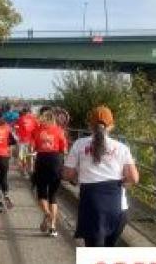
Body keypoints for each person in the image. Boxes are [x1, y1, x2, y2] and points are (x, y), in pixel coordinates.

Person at [63, 106, 139, 247]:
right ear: (111, 126)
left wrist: (76, 179)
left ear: (90, 125)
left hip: (91, 208)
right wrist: (123, 183)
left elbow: (67, 174)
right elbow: (134, 178)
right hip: (118, 209)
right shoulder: (122, 148)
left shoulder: (79, 145)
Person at [31, 108, 68, 237]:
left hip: (42, 160)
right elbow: (64, 149)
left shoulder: (37, 130)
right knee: (53, 196)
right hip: (56, 161)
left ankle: (46, 212)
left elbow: (34, 147)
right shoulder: (59, 131)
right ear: (54, 120)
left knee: (41, 192)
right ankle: (52, 227)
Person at [16, 107, 39, 176]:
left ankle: (24, 170)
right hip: (31, 140)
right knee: (30, 156)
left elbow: (16, 128)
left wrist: (18, 135)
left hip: (23, 140)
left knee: (24, 156)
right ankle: (30, 170)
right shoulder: (34, 119)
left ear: (23, 112)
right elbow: (37, 128)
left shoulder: (20, 119)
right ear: (29, 112)